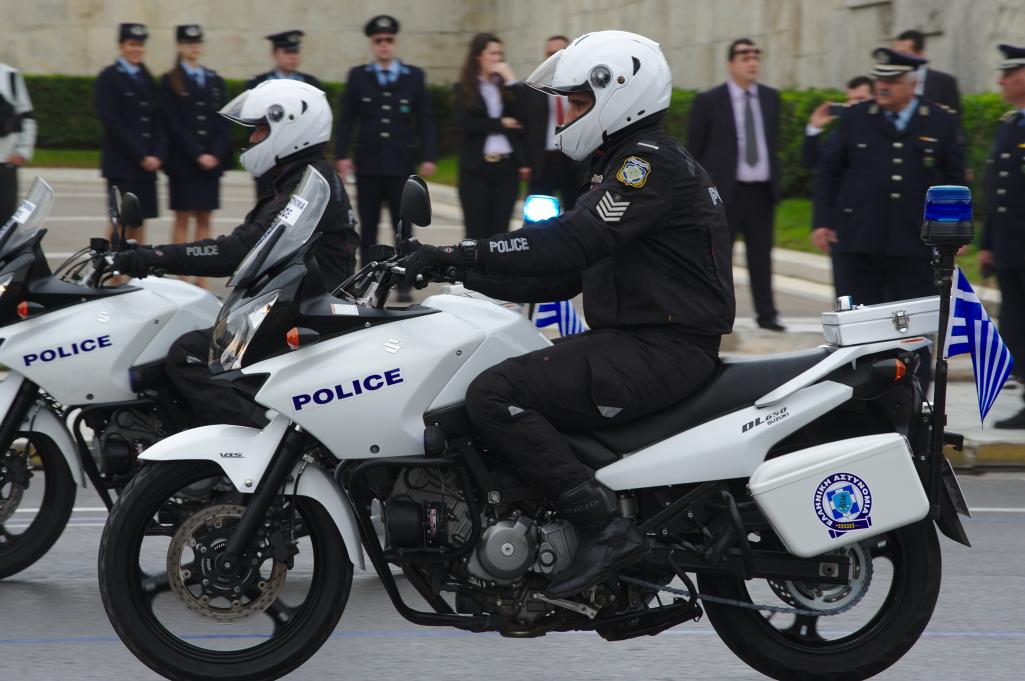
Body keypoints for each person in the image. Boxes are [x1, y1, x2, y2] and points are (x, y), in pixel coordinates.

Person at [405, 31, 735, 598]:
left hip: (663, 348)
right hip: (643, 343)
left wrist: (463, 252)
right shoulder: (626, 160)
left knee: (495, 394)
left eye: (579, 102)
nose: (568, 114)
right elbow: (563, 276)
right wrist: (446, 270)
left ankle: (604, 528)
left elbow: (575, 239)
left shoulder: (645, 165)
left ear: (620, 95)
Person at [113, 80, 359, 427]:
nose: (253, 139)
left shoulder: (308, 184)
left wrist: (154, 257)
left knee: (190, 355)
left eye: (260, 130)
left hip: (301, 313)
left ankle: (260, 444)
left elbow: (242, 250)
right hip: (293, 305)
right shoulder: (302, 177)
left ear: (290, 126)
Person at [813, 48, 966, 388]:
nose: (882, 86)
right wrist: (822, 221)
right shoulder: (856, 117)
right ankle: (859, 399)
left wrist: (953, 234)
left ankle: (914, 399)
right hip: (858, 241)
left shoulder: (940, 121)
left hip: (915, 244)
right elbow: (829, 171)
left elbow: (955, 179)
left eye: (892, 80)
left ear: (911, 84)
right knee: (859, 330)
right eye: (879, 79)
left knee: (914, 331)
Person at [335, 14, 437, 302]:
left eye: (389, 40)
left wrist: (429, 155)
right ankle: (367, 283)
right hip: (368, 165)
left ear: (395, 43)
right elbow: (347, 119)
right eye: (379, 40)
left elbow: (425, 118)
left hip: (400, 164)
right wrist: (341, 155)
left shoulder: (413, 76)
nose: (384, 45)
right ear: (372, 43)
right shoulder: (359, 76)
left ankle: (404, 281)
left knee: (403, 226)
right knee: (368, 227)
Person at [689, 38, 783, 332]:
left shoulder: (770, 98)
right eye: (744, 57)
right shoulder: (709, 101)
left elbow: (772, 142)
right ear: (731, 64)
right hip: (724, 193)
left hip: (761, 191)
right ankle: (713, 313)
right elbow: (695, 150)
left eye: (756, 56)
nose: (752, 62)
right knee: (717, 257)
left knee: (761, 257)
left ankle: (767, 315)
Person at [159, 25, 231, 289]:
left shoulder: (213, 79)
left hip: (211, 163)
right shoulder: (170, 80)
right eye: (189, 43)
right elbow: (172, 123)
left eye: (198, 43)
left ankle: (202, 279)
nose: (194, 48)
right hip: (184, 162)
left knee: (204, 218)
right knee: (182, 218)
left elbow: (223, 120)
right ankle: (182, 278)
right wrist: (198, 154)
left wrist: (215, 153)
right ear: (180, 46)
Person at [979, 44, 1025, 429]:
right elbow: (998, 191)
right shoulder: (1011, 124)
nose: (1001, 81)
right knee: (1015, 326)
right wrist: (988, 243)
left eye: (1009, 74)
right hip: (1011, 248)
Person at [453, 33, 530, 239]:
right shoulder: (465, 88)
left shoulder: (505, 88)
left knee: (500, 233)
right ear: (479, 56)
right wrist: (500, 123)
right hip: (476, 167)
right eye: (492, 53)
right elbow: (466, 124)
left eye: (500, 54)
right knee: (476, 232)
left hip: (506, 167)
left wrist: (512, 81)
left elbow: (525, 115)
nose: (497, 58)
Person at [95, 23, 166, 244]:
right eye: (132, 44)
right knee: (120, 222)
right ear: (121, 46)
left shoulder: (147, 77)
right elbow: (112, 121)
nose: (136, 50)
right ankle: (112, 265)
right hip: (122, 164)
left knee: (139, 221)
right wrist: (141, 155)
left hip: (146, 166)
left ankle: (137, 265)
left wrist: (158, 155)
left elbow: (158, 120)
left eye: (140, 45)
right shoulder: (109, 77)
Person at [247, 30, 323, 199]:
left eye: (296, 52)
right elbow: (250, 124)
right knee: (266, 208)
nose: (293, 57)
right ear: (275, 54)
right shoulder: (258, 84)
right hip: (267, 161)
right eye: (287, 52)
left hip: (300, 160)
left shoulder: (312, 84)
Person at [521, 35, 587, 210]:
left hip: (573, 157)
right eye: (549, 54)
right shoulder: (534, 86)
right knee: (538, 213)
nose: (553, 58)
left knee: (575, 210)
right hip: (544, 159)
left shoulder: (583, 84)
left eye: (558, 53)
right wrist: (525, 162)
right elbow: (525, 126)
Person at [802, 76, 874, 169]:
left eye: (860, 99)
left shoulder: (883, 130)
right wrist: (814, 129)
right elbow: (812, 162)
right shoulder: (841, 131)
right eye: (849, 99)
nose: (853, 103)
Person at [0, 62, 36, 223]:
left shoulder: (10, 75)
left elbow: (27, 116)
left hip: (4, 165)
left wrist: (23, 152)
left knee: (5, 225)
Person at [892, 30, 961, 113]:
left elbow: (954, 117)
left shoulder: (945, 82)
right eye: (895, 54)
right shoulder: (888, 81)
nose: (897, 58)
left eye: (903, 53)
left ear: (920, 54)